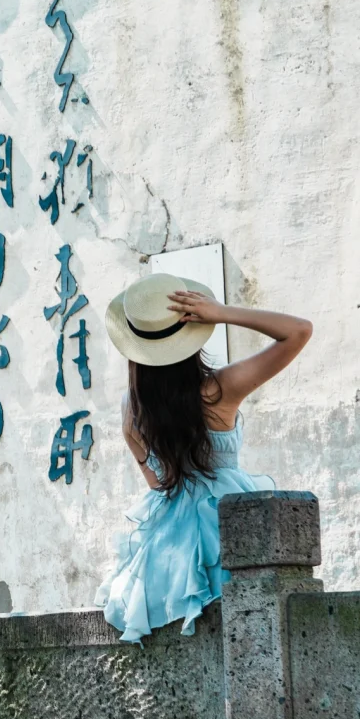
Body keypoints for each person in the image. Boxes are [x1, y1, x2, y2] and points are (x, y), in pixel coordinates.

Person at [96, 273, 312, 641]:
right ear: (191, 336)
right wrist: (221, 312)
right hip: (228, 523)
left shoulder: (131, 409)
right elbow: (299, 331)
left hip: (167, 545)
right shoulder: (220, 390)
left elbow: (159, 483)